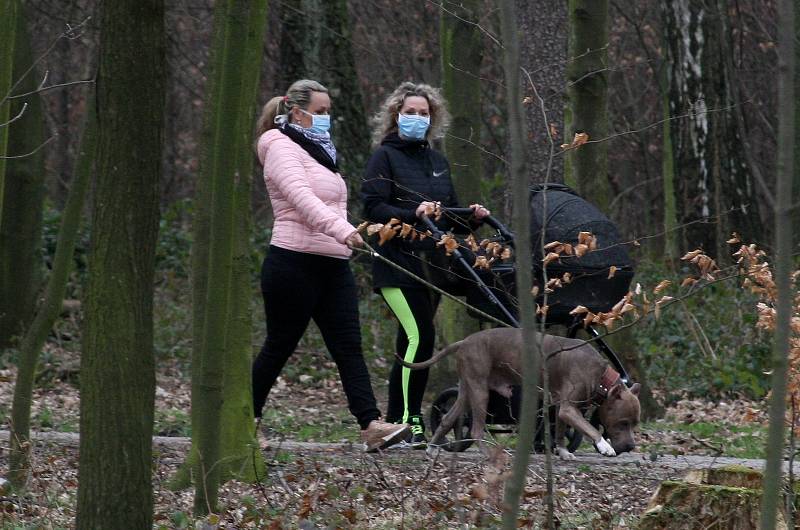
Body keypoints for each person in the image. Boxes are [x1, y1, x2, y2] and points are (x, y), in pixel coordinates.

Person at [251, 79, 410, 452]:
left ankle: (371, 425)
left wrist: (343, 234)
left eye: (328, 112)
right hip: (293, 261)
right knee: (280, 344)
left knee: (348, 346)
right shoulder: (279, 146)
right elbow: (302, 198)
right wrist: (344, 230)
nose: (326, 119)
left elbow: (330, 201)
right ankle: (247, 420)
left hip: (332, 263)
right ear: (296, 111)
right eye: (320, 112)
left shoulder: (320, 150)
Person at [361, 82, 490, 448]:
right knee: (421, 335)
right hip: (394, 262)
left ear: (432, 118)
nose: (417, 118)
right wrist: (411, 214)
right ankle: (408, 419)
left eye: (423, 113)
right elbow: (373, 207)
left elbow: (446, 216)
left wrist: (473, 218)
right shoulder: (383, 158)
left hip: (431, 266)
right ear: (395, 116)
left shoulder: (437, 162)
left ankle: (397, 419)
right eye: (410, 112)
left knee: (411, 341)